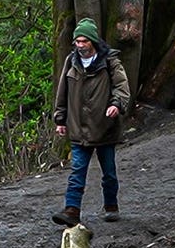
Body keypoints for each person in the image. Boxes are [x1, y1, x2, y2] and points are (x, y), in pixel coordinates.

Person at [51, 17, 130, 228]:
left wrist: (117, 105)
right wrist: (60, 119)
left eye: (84, 41)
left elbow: (122, 87)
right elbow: (62, 92)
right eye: (77, 41)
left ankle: (111, 206)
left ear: (93, 41)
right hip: (78, 129)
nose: (80, 46)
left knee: (109, 173)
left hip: (104, 128)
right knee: (77, 171)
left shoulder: (110, 61)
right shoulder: (71, 62)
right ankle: (72, 210)